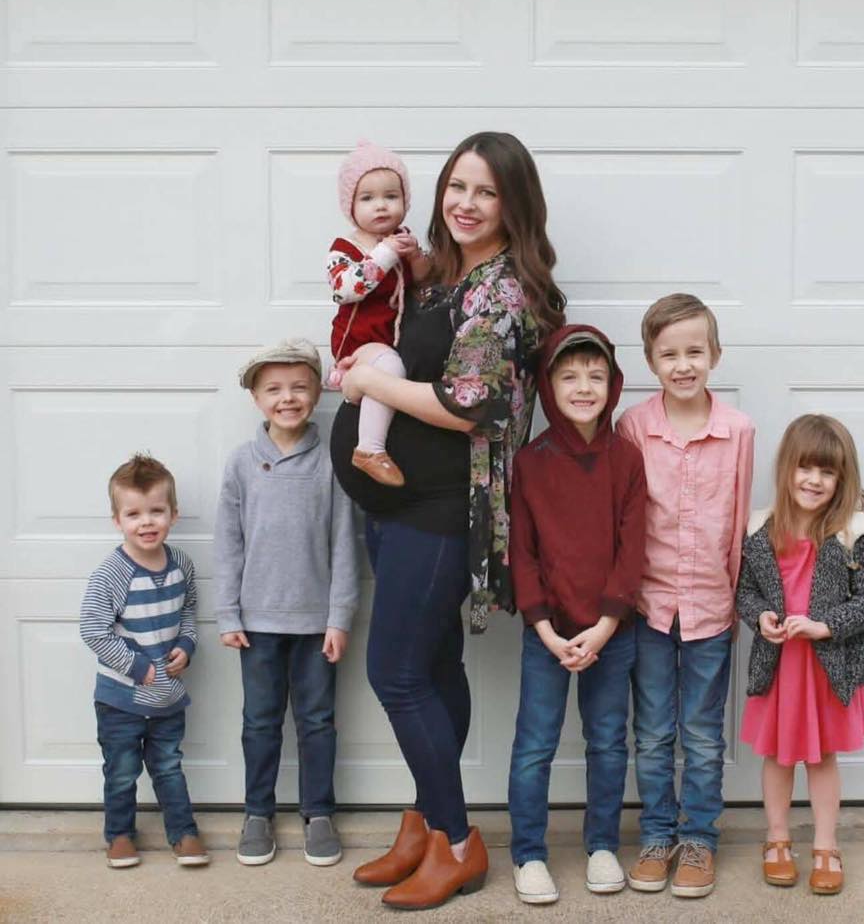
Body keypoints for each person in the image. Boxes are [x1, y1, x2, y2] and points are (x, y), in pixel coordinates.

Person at [331, 131, 566, 910]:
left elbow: (470, 406)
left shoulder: (504, 291)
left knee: (395, 673)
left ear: (513, 205)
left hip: (443, 509)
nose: (465, 203)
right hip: (397, 501)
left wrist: (370, 383)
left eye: (486, 192)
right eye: (456, 186)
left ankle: (459, 843)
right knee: (432, 668)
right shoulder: (440, 272)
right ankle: (426, 825)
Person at [616, 293, 755, 898]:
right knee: (651, 733)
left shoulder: (738, 431)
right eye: (669, 354)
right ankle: (657, 834)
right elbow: (624, 520)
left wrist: (737, 602)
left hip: (711, 608)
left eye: (694, 351)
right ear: (651, 361)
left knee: (701, 734)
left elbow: (740, 520)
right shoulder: (634, 426)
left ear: (715, 355)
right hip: (648, 607)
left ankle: (699, 838)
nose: (683, 365)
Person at [507, 325, 646, 904]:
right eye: (568, 376)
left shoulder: (627, 459)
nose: (583, 387)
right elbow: (522, 552)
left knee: (608, 742)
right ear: (547, 386)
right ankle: (528, 854)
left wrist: (606, 625)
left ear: (613, 385)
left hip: (611, 632)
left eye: (595, 376)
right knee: (534, 745)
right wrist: (543, 627)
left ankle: (603, 845)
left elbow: (632, 549)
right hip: (548, 634)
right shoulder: (530, 462)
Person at [214, 339, 359, 868]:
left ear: (317, 392)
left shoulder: (333, 461)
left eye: (299, 387)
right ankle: (257, 812)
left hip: (316, 623)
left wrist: (339, 618)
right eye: (273, 389)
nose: (287, 398)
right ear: (256, 398)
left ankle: (318, 812)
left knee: (317, 721)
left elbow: (345, 543)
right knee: (260, 721)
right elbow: (228, 543)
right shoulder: (241, 463)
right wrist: (227, 613)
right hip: (256, 623)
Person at [737, 414, 864, 896]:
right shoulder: (761, 531)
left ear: (842, 479)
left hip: (826, 669)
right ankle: (777, 839)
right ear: (787, 469)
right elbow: (745, 592)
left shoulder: (851, 533)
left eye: (827, 472)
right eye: (805, 468)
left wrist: (826, 626)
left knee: (821, 758)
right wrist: (760, 616)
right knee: (778, 758)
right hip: (780, 667)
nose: (814, 480)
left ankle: (826, 844)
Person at [80, 454, 209, 869]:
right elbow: (93, 630)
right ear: (117, 520)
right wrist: (138, 667)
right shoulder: (113, 573)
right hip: (120, 699)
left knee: (169, 766)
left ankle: (184, 833)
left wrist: (187, 645)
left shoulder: (181, 565)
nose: (147, 522)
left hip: (167, 697)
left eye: (156, 511)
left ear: (174, 514)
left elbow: (188, 610)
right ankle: (119, 834)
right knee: (121, 771)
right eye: (134, 514)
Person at [327, 140, 430, 487]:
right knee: (389, 367)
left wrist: (415, 257)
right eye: (367, 198)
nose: (381, 205)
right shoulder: (344, 249)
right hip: (360, 342)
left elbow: (424, 283)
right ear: (350, 206)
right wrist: (385, 253)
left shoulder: (402, 239)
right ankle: (369, 449)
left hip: (392, 339)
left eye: (391, 196)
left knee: (394, 371)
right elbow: (346, 288)